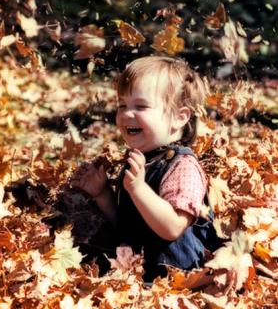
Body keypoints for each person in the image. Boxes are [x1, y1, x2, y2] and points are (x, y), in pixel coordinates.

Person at [72, 56, 220, 282]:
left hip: (176, 278)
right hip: (139, 273)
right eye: (122, 105)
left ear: (179, 118)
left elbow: (172, 227)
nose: (126, 114)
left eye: (140, 106)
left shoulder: (182, 166)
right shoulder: (140, 161)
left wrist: (138, 188)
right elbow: (127, 224)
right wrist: (102, 194)